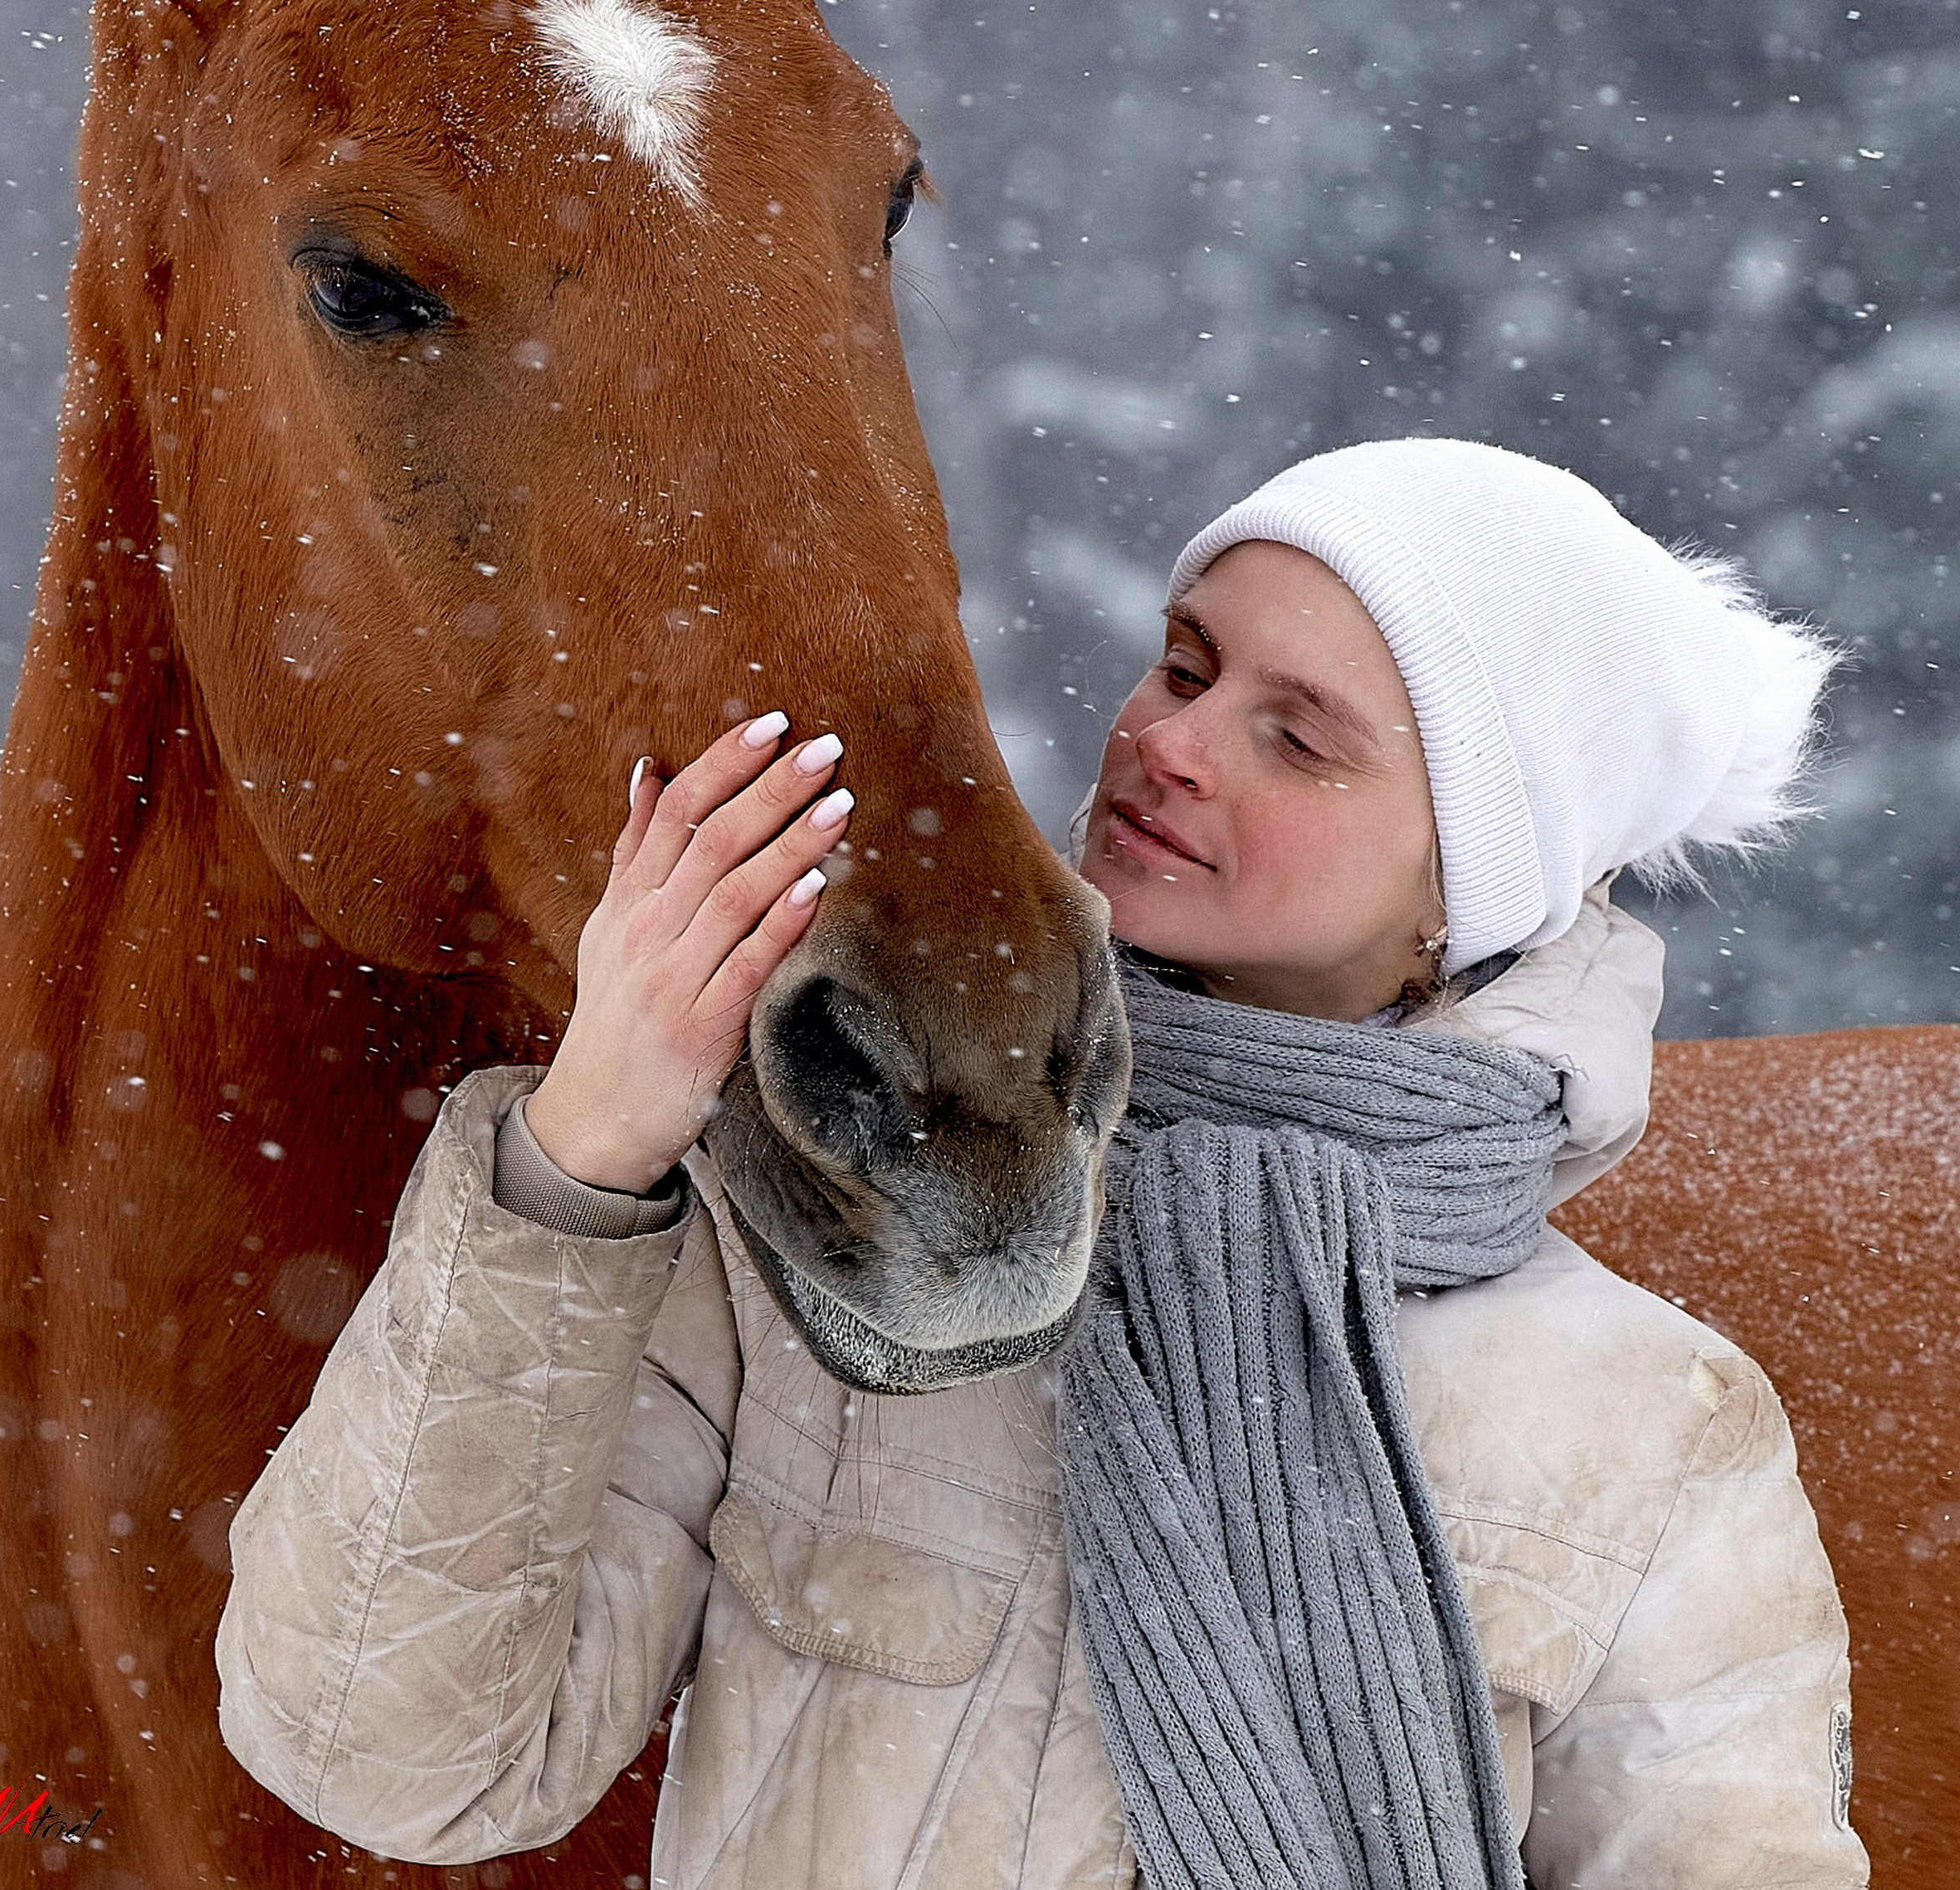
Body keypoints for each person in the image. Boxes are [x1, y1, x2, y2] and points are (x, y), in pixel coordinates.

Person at [215, 440, 1870, 1890]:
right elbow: (390, 1756)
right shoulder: (831, 1221)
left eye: (1297, 739)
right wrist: (586, 1146)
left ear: (1470, 886)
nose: (1171, 741)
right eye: (1185, 664)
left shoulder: (1653, 1430)